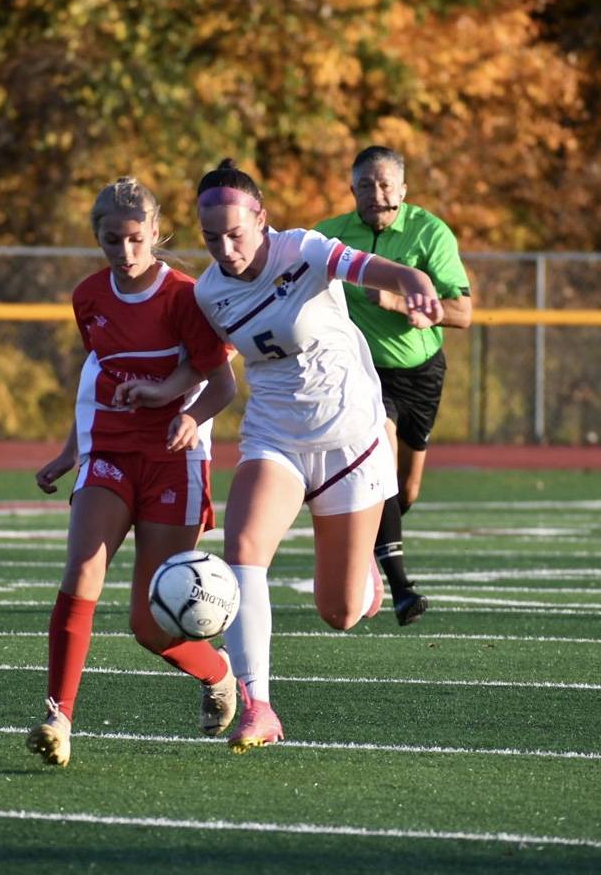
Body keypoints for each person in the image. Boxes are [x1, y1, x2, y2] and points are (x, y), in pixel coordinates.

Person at [118, 159, 443, 753]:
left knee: (341, 612)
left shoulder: (305, 249)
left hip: (351, 437)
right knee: (243, 554)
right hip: (275, 437)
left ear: (261, 220)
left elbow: (367, 266)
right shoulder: (211, 292)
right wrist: (176, 398)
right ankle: (258, 706)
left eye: (235, 233)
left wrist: (412, 281)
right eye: (210, 236)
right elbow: (210, 365)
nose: (224, 247)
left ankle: (366, 581)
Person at [26, 176, 237, 768]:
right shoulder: (88, 296)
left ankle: (218, 673)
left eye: (136, 240)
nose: (125, 253)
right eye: (112, 241)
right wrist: (71, 450)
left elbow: (220, 383)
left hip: (175, 459)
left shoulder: (184, 297)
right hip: (109, 453)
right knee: (81, 573)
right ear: (97, 239)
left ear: (155, 234)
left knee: (150, 626)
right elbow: (98, 374)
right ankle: (58, 717)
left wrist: (191, 418)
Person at [315, 146, 472, 626]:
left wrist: (396, 302)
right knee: (377, 457)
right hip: (361, 374)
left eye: (386, 185)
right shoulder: (330, 237)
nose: (377, 194)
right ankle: (401, 588)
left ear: (403, 190)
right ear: (352, 189)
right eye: (366, 185)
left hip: (420, 372)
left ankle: (369, 538)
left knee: (404, 490)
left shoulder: (429, 233)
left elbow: (463, 314)